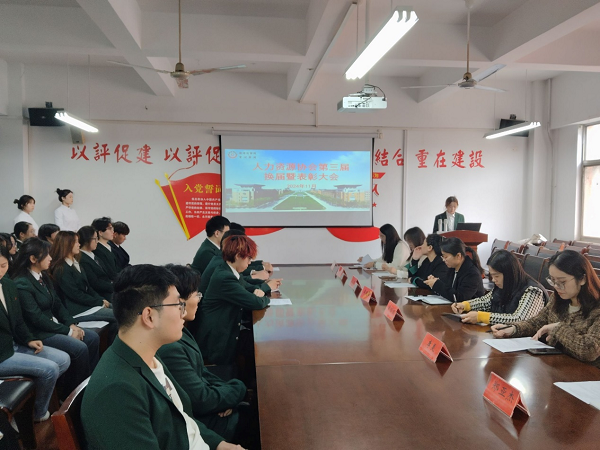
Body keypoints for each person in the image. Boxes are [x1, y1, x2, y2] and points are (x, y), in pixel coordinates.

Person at [80, 264, 245, 450]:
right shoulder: (116, 391)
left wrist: (219, 444)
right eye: (178, 305)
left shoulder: (148, 357)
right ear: (149, 316)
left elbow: (180, 419)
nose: (183, 312)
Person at [158, 265, 247, 443]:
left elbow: (202, 373)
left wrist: (228, 394)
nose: (199, 298)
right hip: (201, 425)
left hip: (209, 410)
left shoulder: (181, 330)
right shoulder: (170, 345)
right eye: (196, 294)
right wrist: (239, 389)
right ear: (179, 300)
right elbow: (201, 400)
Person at [12, 237, 99, 395]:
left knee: (92, 338)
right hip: (38, 333)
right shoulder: (22, 283)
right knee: (79, 348)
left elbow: (57, 304)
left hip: (53, 326)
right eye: (47, 255)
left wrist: (71, 324)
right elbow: (36, 318)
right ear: (33, 259)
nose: (51, 258)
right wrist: (68, 331)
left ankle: (90, 383)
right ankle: (71, 394)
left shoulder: (43, 276)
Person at [492, 250, 600, 367]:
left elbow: (590, 350)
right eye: (553, 280)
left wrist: (558, 328)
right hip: (556, 367)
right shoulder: (558, 298)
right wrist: (513, 329)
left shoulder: (596, 308)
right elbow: (537, 322)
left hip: (586, 373)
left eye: (562, 281)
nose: (557, 286)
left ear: (582, 279)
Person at [0, 245, 70, 422]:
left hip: (13, 345)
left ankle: (26, 407)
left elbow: (18, 321)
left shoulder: (7, 285)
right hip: (2, 354)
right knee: (49, 369)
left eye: (3, 265)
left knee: (63, 359)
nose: (0, 271)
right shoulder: (18, 283)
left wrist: (29, 339)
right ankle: (37, 414)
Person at [196, 235, 269, 365]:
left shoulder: (228, 270)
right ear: (237, 256)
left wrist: (258, 291)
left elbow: (249, 287)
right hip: (217, 342)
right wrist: (263, 296)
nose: (250, 263)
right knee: (258, 346)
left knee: (257, 342)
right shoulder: (225, 277)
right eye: (249, 258)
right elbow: (256, 302)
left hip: (227, 330)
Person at [451, 250, 548, 325]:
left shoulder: (533, 290)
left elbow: (520, 319)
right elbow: (487, 301)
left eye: (496, 276)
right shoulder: (505, 285)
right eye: (492, 275)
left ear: (509, 274)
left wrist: (481, 317)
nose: (493, 280)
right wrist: (465, 305)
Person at [48, 231, 116, 325]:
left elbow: (88, 287)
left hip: (88, 305)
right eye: (76, 242)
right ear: (67, 244)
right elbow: (75, 294)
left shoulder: (76, 262)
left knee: (121, 310)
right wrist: (98, 302)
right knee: (120, 315)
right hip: (78, 310)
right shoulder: (61, 269)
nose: (79, 244)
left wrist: (101, 300)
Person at [425, 237, 485, 302]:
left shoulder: (472, 273)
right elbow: (448, 288)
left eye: (446, 257)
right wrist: (435, 281)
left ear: (458, 256)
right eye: (443, 257)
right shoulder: (452, 268)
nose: (443, 260)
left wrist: (437, 285)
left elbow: (460, 298)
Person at [78, 226, 114, 301]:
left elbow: (107, 273)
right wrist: (114, 286)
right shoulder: (82, 259)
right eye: (95, 239)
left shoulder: (93, 255)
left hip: (108, 288)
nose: (97, 241)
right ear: (87, 240)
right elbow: (95, 283)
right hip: (101, 293)